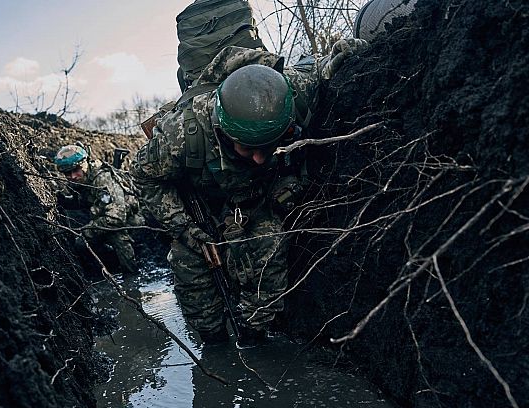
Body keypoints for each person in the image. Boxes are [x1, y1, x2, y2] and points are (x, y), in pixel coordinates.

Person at [131, 42, 366, 347]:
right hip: (202, 208)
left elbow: (322, 69)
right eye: (246, 148)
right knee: (192, 277)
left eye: (268, 147)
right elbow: (144, 177)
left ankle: (254, 337)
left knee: (269, 255)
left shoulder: (291, 93)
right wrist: (185, 228)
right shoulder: (182, 134)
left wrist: (342, 56)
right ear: (223, 130)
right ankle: (213, 343)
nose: (258, 158)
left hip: (257, 201)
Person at [55, 143, 142, 274]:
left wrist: (87, 231)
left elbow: (116, 218)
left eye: (76, 170)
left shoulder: (102, 179)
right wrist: (64, 201)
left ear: (85, 163)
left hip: (131, 222)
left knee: (117, 236)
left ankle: (132, 276)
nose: (72, 176)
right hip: (105, 219)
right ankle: (109, 265)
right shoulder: (83, 179)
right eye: (67, 173)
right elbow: (84, 201)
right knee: (81, 244)